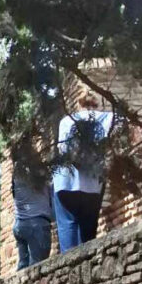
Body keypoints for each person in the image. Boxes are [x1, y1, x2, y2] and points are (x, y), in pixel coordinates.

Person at [53, 96, 113, 253]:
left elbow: (63, 149)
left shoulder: (67, 120)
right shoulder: (105, 118)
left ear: (79, 105)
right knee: (87, 232)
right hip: (92, 184)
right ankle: (87, 262)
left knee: (67, 226)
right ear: (96, 105)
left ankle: (67, 265)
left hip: (65, 181)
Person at [12, 154, 53, 270]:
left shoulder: (16, 174)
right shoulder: (36, 172)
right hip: (36, 223)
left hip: (20, 224)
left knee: (23, 268)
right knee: (37, 268)